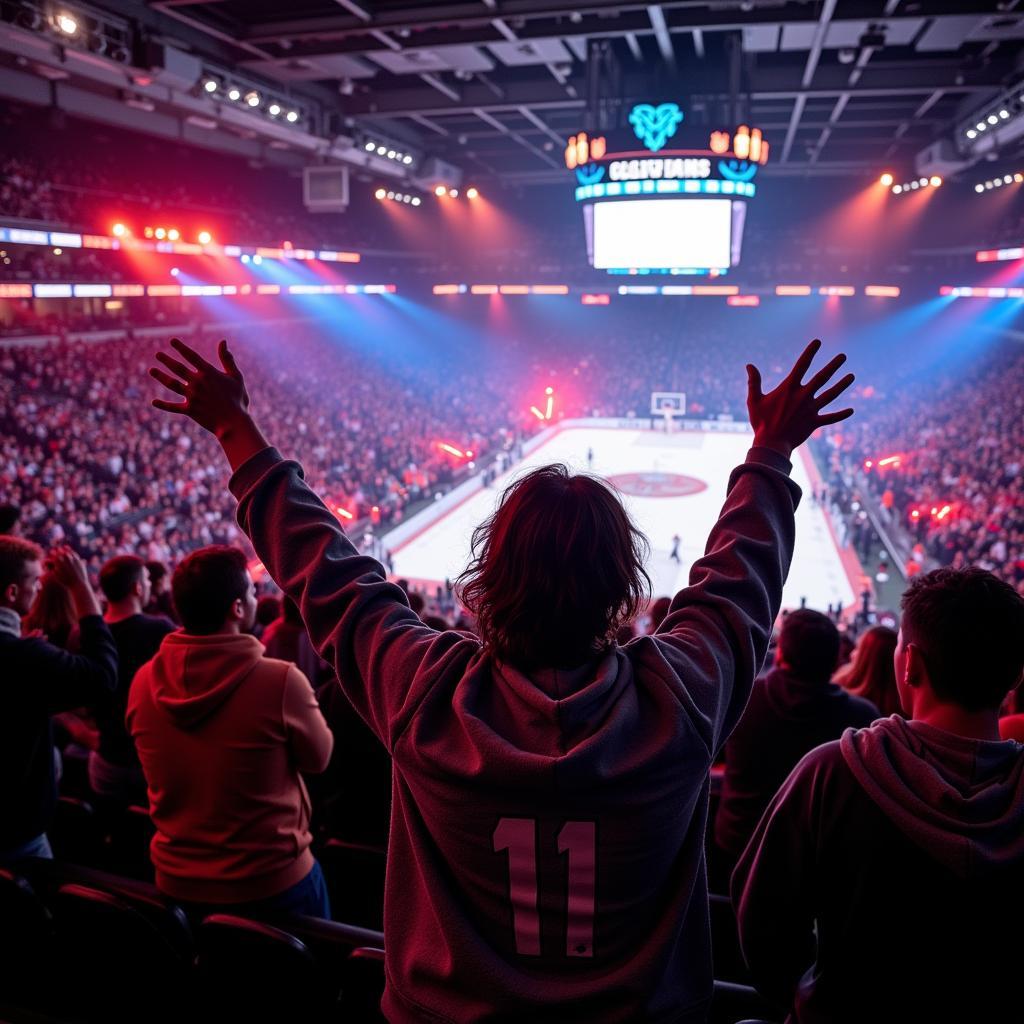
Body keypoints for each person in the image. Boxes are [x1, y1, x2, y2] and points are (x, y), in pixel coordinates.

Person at [148, 335, 854, 1022]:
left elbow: (328, 572)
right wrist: (769, 453)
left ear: (491, 577)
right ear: (622, 588)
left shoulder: (423, 689)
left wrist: (235, 428)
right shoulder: (681, 697)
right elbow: (738, 585)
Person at [732, 567, 1024, 1023]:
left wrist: (809, 1000)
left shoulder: (832, 772)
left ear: (910, 664)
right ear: (1015, 675)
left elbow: (762, 922)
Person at [127, 545, 334, 918]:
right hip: (274, 882)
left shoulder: (143, 682)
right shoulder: (281, 681)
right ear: (237, 608)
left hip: (175, 883)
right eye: (252, 592)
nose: (257, 598)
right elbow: (319, 759)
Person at [714, 609, 878, 870]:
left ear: (779, 654)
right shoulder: (862, 718)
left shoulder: (744, 697)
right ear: (837, 660)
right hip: (813, 860)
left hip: (736, 842)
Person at [0, 539, 117, 865]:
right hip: (16, 837)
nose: (39, 589)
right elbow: (102, 677)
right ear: (11, 593)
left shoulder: (24, 652)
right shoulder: (23, 656)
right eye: (34, 582)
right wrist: (81, 588)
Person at [91, 555, 176, 806]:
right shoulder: (159, 629)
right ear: (137, 588)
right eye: (147, 580)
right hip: (147, 761)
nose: (150, 584)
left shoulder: (87, 632)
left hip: (105, 758)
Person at [832, 624, 901, 717]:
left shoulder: (838, 692)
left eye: (858, 648)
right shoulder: (903, 706)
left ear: (865, 657)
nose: (852, 654)